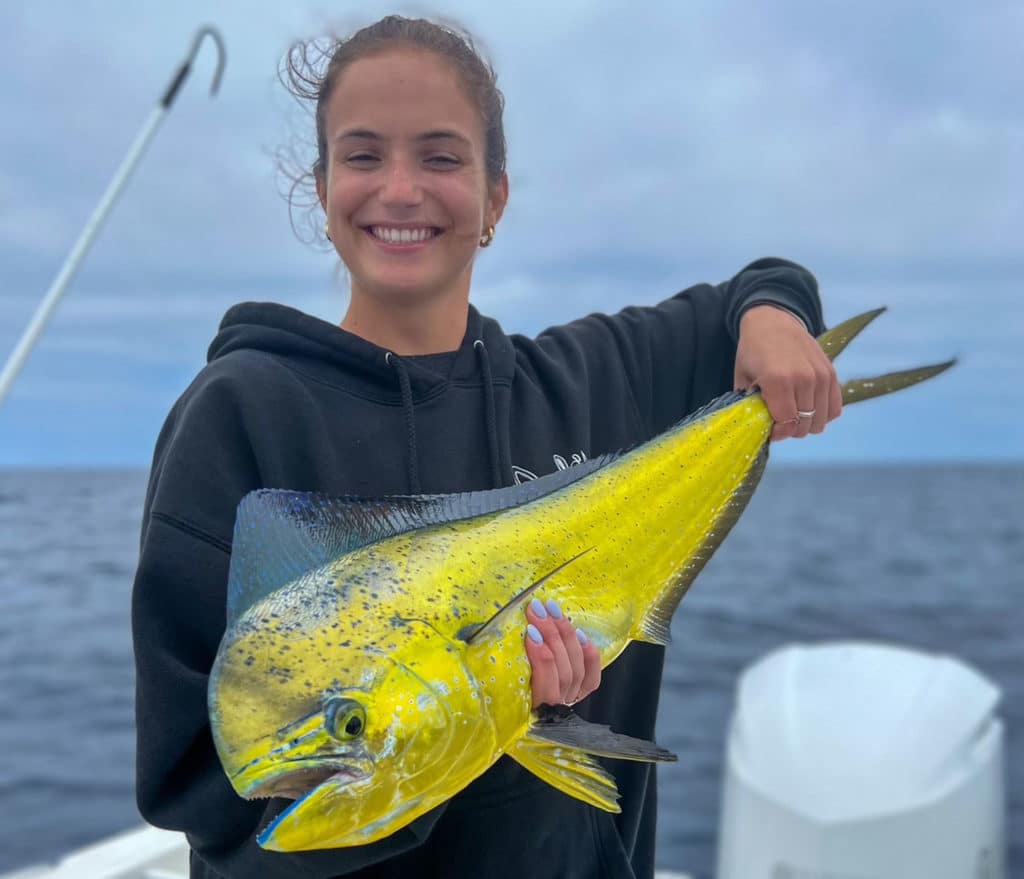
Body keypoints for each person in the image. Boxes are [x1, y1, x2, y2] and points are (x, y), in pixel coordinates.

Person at [131, 14, 840, 879]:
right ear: (319, 189)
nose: (399, 189)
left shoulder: (586, 381)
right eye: (362, 156)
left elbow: (757, 289)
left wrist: (777, 322)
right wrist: (480, 725)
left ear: (495, 195)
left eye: (440, 156)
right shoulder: (239, 412)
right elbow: (198, 786)